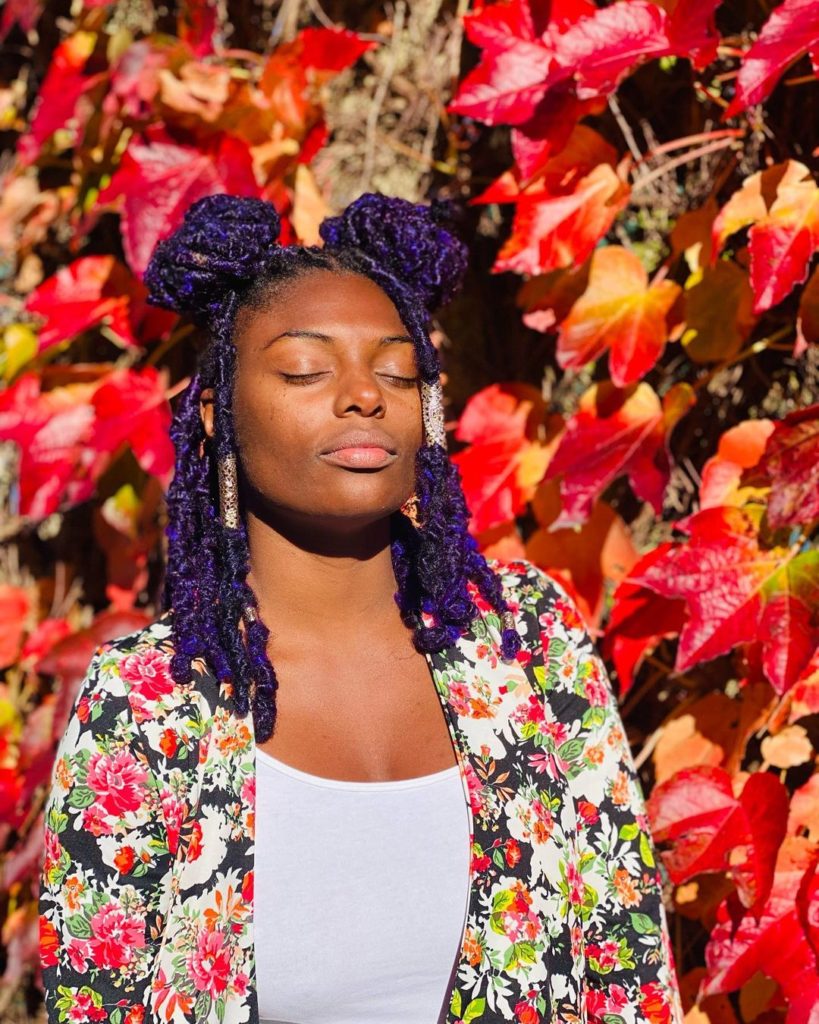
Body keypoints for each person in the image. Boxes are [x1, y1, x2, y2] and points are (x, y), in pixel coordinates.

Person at [39, 192, 684, 1024]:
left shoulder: (530, 641)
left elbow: (626, 968)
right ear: (216, 414)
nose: (363, 397)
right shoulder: (151, 702)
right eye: (306, 370)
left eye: (396, 371)